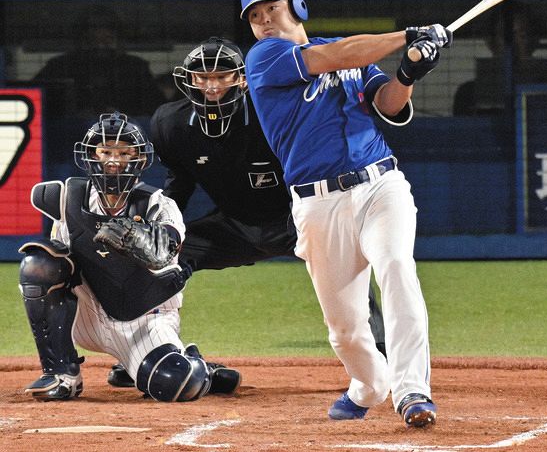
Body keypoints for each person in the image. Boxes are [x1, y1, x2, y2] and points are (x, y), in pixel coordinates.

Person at [105, 37, 386, 389]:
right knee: (153, 259)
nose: (211, 85)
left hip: (294, 220)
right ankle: (147, 354)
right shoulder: (170, 124)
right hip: (233, 228)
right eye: (202, 77)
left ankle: (380, 352)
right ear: (188, 80)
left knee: (345, 268)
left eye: (222, 76)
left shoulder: (273, 113)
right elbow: (181, 185)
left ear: (241, 79)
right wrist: (158, 230)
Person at [240, 0, 449, 427]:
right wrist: (408, 36)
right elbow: (333, 56)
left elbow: (390, 105)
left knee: (396, 267)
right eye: (255, 16)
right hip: (317, 204)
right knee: (346, 329)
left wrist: (410, 71)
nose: (264, 21)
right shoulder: (265, 58)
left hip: (380, 185)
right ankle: (370, 385)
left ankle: (413, 390)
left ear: (296, 6)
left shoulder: (356, 54)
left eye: (272, 8)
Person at [18, 111, 240, 402]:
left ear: (139, 159)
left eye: (124, 152)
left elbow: (165, 252)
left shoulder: (159, 204)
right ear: (90, 156)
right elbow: (62, 263)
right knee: (38, 265)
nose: (113, 160)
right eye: (105, 151)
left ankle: (197, 368)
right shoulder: (64, 198)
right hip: (87, 315)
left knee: (177, 383)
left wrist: (140, 241)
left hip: (144, 320)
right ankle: (61, 374)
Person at [32, 5, 163, 118]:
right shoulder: (60, 67)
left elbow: (156, 109)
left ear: (118, 40)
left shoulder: (135, 68)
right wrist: (75, 116)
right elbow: (33, 102)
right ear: (82, 40)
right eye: (93, 39)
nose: (100, 45)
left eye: (107, 39)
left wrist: (123, 115)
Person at [452, 0, 547, 116]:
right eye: (505, 35)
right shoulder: (469, 94)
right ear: (491, 42)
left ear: (534, 41)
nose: (512, 44)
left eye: (521, 35)